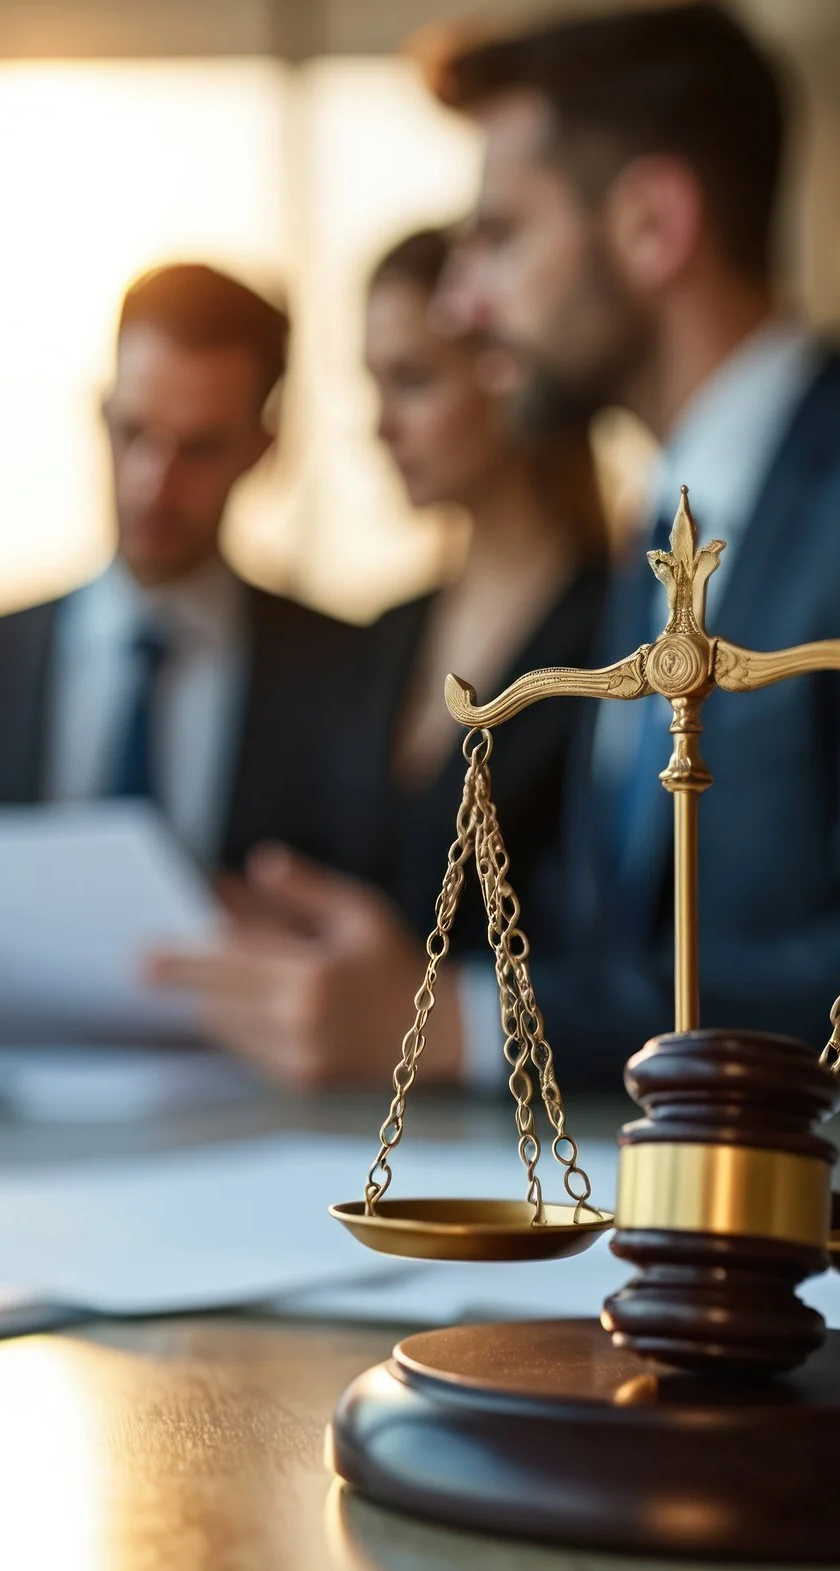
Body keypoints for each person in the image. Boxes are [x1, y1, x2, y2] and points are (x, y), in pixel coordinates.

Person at [176, 2, 840, 1116]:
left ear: (650, 226)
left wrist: (473, 1019)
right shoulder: (661, 543)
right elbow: (624, 945)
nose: (463, 301)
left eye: (502, 236)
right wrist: (393, 972)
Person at [147, 229, 611, 1087]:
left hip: (545, 1114)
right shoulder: (384, 638)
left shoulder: (618, 638)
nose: (382, 425)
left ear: (507, 371)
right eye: (374, 385)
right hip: (361, 1112)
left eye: (414, 381)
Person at [0, 264, 380, 878]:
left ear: (261, 450)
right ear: (100, 414)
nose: (154, 484)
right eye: (133, 434)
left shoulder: (348, 677)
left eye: (200, 449)